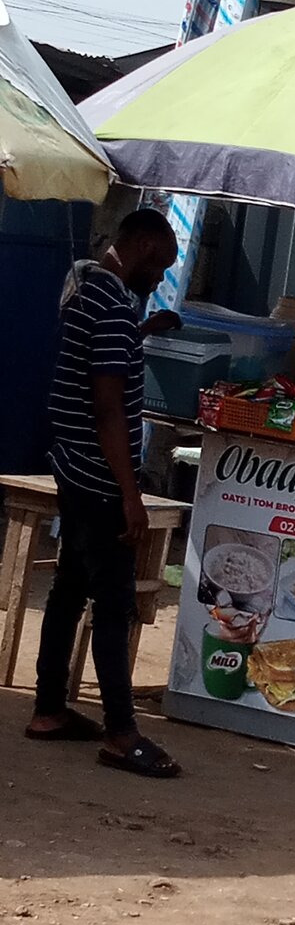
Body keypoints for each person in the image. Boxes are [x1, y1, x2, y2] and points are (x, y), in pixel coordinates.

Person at [26, 208, 182, 778]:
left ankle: (49, 710)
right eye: (157, 266)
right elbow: (109, 409)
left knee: (70, 586)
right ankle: (121, 734)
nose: (158, 279)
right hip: (97, 474)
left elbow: (99, 360)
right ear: (139, 245)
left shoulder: (89, 289)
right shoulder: (113, 305)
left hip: (71, 462)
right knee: (114, 604)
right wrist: (130, 494)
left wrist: (144, 331)